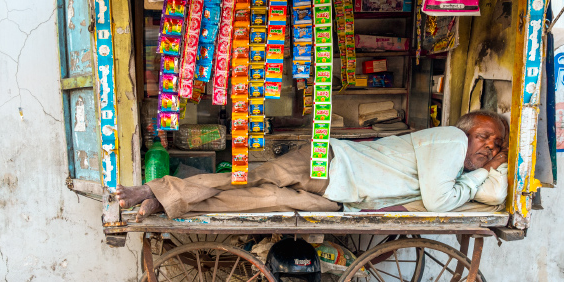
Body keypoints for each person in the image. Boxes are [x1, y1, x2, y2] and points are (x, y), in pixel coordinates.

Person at [116, 110, 509, 220]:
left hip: (342, 199)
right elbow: (441, 203)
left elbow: (459, 194)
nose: (488, 147)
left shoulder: (458, 170)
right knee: (250, 176)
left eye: (495, 146)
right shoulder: (451, 139)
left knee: (259, 200)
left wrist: (478, 174)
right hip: (332, 164)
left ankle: (167, 199)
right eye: (484, 136)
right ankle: (156, 188)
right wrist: (478, 174)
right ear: (467, 130)